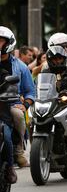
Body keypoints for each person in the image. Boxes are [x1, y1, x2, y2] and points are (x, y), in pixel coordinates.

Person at [0, 27, 35, 168]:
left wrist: (25, 105)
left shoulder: (21, 66)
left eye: (1, 41)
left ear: (9, 43)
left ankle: (18, 150)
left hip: (12, 103)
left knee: (19, 115)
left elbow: (30, 91)